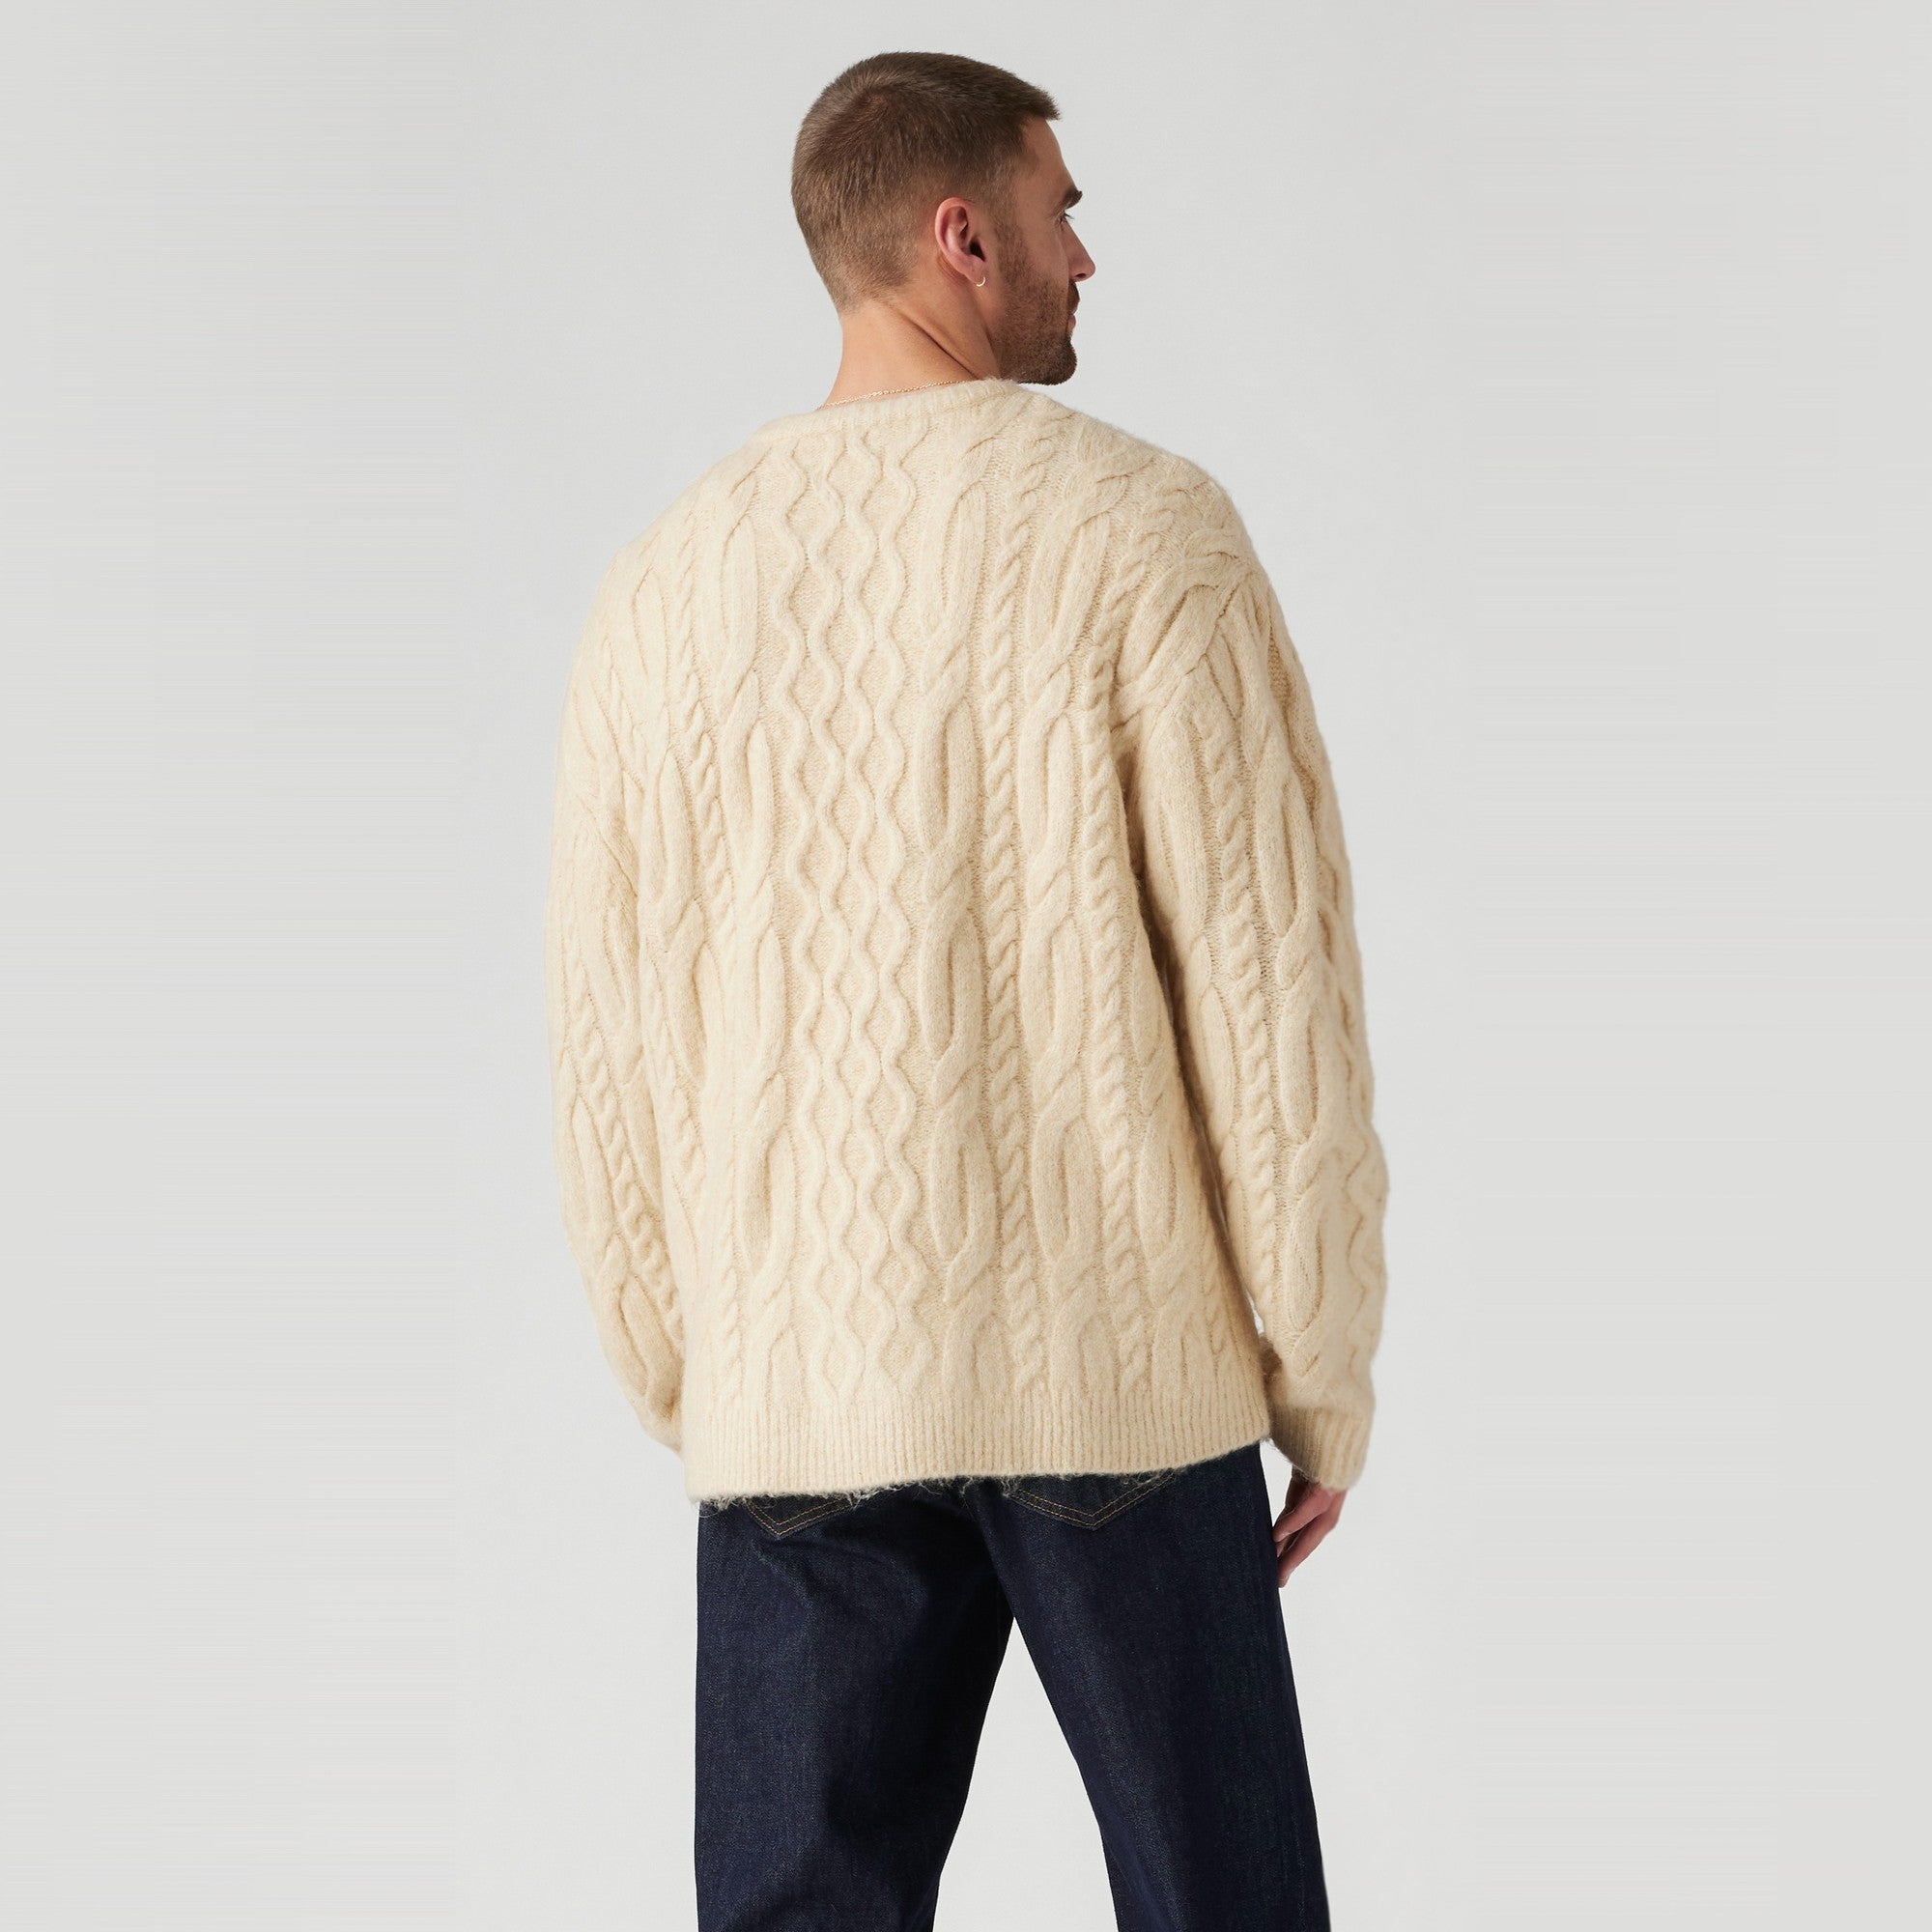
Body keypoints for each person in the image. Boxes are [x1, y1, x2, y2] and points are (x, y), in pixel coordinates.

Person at [543, 48, 1390, 1932]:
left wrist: (704, 1370)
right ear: (962, 235)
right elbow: (1272, 1003)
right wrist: (1318, 1373)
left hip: (795, 1391)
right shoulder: (1142, 531)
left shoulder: (664, 584)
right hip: (1118, 1378)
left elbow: (607, 1044)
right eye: (1061, 210)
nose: (1086, 255)